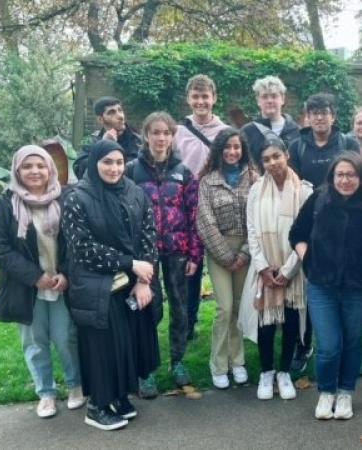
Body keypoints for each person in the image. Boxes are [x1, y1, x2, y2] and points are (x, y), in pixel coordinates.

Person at [289, 151, 362, 420]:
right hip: (322, 286)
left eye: (351, 175)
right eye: (340, 175)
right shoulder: (318, 201)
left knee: (352, 342)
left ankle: (346, 391)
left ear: (361, 177)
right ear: (332, 177)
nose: (345, 180)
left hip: (360, 288)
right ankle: (326, 392)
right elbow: (297, 234)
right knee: (328, 345)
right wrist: (307, 256)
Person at [62, 139, 159, 431]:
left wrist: (143, 280)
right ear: (94, 164)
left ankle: (118, 396)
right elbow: (82, 249)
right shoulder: (76, 198)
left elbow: (148, 235)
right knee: (103, 347)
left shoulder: (134, 192)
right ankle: (97, 405)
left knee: (127, 342)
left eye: (119, 162)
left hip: (131, 284)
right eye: (107, 162)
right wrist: (129, 264)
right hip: (95, 285)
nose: (114, 168)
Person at [0, 145, 84, 419]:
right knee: (35, 341)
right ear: (17, 170)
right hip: (26, 287)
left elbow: (79, 241)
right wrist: (35, 276)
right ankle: (47, 393)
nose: (35, 171)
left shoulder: (67, 198)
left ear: (50, 169)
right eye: (27, 166)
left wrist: (66, 273)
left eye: (41, 165)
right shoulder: (6, 203)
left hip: (62, 284)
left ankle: (76, 386)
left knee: (66, 338)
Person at [125, 112, 203, 393]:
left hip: (178, 253)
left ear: (173, 137)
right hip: (146, 255)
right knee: (150, 310)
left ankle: (178, 361)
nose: (161, 138)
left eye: (166, 133)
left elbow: (195, 215)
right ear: (146, 135)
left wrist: (195, 254)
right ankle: (147, 368)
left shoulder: (184, 172)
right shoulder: (132, 171)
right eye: (155, 132)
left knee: (180, 310)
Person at [288, 92, 360, 371]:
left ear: (333, 115)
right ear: (307, 117)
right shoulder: (297, 146)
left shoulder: (347, 143)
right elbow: (292, 186)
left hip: (345, 225)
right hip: (311, 223)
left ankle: (340, 347)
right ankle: (304, 346)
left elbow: (357, 177)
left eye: (324, 112)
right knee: (308, 291)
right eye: (314, 112)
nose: (319, 117)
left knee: (342, 290)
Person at [238, 137, 312, 401]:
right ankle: (267, 372)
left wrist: (288, 270)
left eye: (276, 157)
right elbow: (253, 231)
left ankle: (284, 372)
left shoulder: (304, 192)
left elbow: (306, 234)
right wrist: (262, 267)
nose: (272, 163)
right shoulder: (256, 191)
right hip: (265, 270)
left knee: (291, 321)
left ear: (287, 156)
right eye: (266, 159)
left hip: (293, 269)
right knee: (265, 323)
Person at [197, 127, 258, 389]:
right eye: (227, 147)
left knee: (238, 307)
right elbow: (205, 222)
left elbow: (257, 217)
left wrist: (244, 253)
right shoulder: (208, 182)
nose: (232, 152)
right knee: (224, 308)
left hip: (248, 247)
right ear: (219, 151)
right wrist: (225, 255)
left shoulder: (254, 178)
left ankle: (238, 361)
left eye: (237, 147)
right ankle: (219, 364)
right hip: (219, 249)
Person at [175, 74, 231, 343]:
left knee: (226, 261)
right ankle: (189, 322)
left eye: (205, 96)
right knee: (191, 269)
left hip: (218, 208)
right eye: (195, 97)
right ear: (188, 99)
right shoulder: (178, 132)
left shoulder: (225, 132)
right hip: (186, 211)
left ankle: (232, 318)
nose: (200, 102)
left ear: (214, 98)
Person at [73, 97, 143, 179]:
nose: (120, 116)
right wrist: (103, 146)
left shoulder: (138, 141)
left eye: (120, 110)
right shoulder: (90, 141)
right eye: (112, 112)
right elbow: (79, 170)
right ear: (100, 119)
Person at [240, 76, 301, 170]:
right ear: (258, 101)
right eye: (264, 97)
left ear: (283, 99)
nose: (269, 101)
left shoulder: (297, 131)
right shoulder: (247, 132)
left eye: (274, 96)